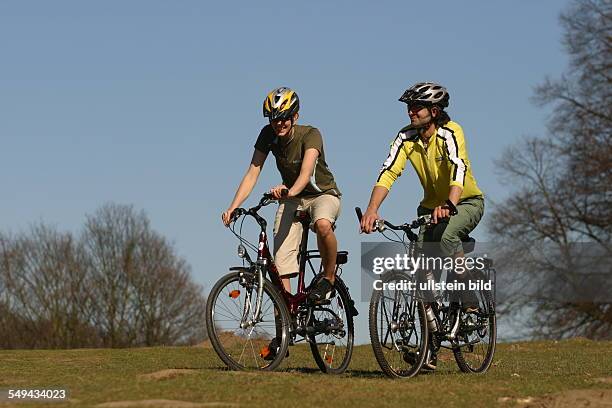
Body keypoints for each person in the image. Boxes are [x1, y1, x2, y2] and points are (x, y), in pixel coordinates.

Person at [359, 82, 484, 370]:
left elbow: (459, 168)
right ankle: (430, 349)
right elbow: (389, 171)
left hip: (465, 202)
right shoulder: (406, 137)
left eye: (416, 107)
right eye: (409, 106)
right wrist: (372, 209)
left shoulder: (451, 132)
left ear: (434, 111)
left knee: (448, 235)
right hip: (429, 208)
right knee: (421, 272)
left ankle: (469, 296)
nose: (410, 111)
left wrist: (451, 204)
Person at [222, 87, 342, 304]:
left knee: (323, 224)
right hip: (292, 199)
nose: (279, 124)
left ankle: (329, 278)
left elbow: (306, 174)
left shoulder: (311, 134)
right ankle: (287, 314)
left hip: (322, 194)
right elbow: (252, 173)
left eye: (284, 118)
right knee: (280, 261)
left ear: (295, 116)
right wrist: (233, 206)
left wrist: (289, 191)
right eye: (274, 119)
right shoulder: (267, 135)